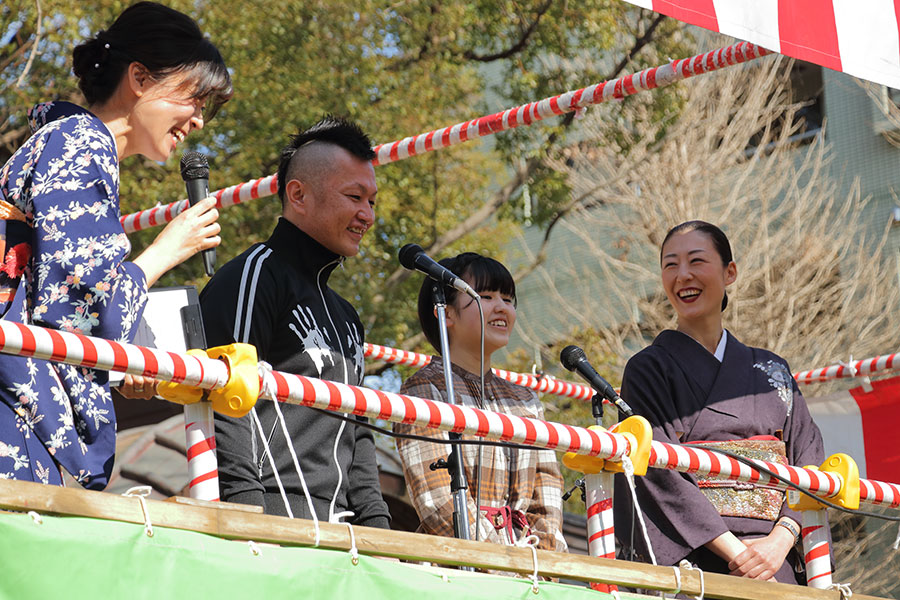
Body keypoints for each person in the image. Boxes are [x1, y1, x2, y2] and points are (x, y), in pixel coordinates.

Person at [0, 2, 231, 489]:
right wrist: (167, 251)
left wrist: (124, 362)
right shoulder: (80, 143)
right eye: (193, 99)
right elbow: (75, 307)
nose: (198, 121)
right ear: (140, 79)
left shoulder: (69, 141)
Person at [202, 116, 390, 529]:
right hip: (270, 520)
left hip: (342, 533)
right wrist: (249, 517)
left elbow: (358, 433)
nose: (367, 215)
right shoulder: (254, 274)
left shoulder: (347, 315)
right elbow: (226, 402)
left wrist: (379, 530)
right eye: (355, 196)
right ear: (298, 194)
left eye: (372, 202)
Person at [613, 220, 827, 585]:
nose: (682, 275)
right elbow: (658, 470)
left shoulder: (772, 369)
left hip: (777, 559)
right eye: (670, 265)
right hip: (698, 561)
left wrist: (780, 541)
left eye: (696, 261)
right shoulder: (648, 369)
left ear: (730, 273)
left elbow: (809, 457)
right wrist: (741, 556)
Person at [395, 253, 567, 552]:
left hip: (529, 563)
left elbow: (547, 494)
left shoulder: (525, 400)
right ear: (446, 314)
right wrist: (500, 563)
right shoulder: (424, 389)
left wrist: (544, 560)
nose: (502, 307)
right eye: (485, 296)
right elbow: (437, 501)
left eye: (508, 299)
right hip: (457, 562)